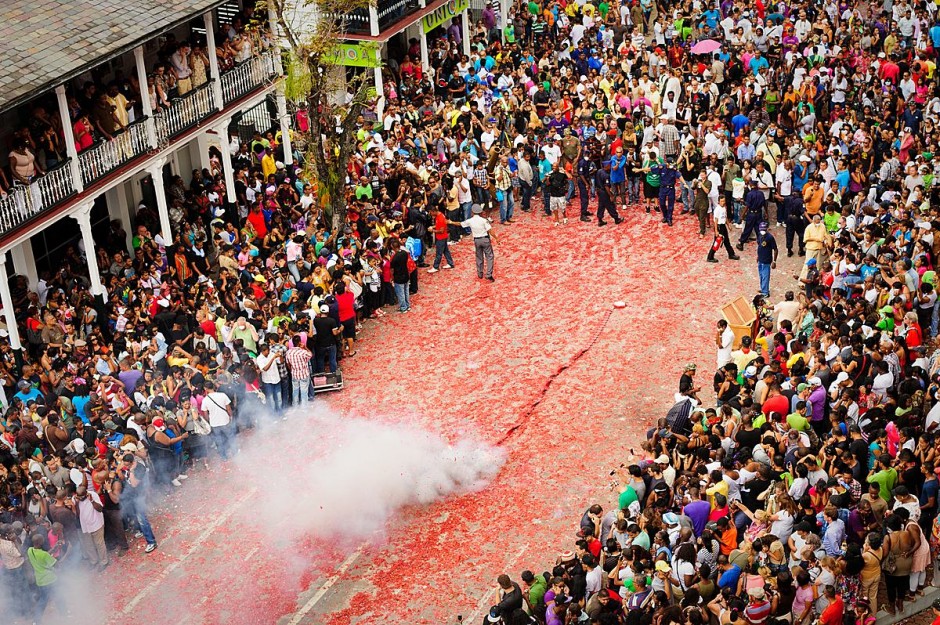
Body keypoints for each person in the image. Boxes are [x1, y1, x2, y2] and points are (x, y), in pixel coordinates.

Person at [460, 204, 496, 281]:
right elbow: (490, 230)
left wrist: (450, 222)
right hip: (485, 239)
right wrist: (496, 238)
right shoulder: (484, 221)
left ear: (472, 212)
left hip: (477, 240)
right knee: (489, 256)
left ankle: (480, 273)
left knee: (479, 256)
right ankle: (489, 274)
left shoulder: (470, 221)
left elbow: (461, 224)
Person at [755, 222, 778, 297]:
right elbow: (760, 246)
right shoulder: (759, 235)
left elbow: (775, 249)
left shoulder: (770, 237)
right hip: (760, 259)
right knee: (761, 275)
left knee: (765, 276)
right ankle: (763, 288)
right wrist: (758, 256)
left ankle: (765, 292)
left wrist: (774, 261)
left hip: (767, 260)